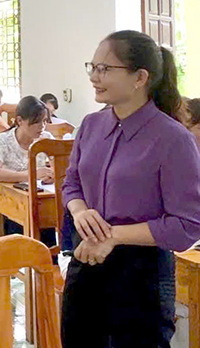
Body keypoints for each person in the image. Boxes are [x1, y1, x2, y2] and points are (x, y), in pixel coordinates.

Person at [61, 30, 200, 347]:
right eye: (92, 67)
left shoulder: (172, 139)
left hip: (142, 275)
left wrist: (113, 236)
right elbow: (72, 183)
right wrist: (80, 211)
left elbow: (187, 225)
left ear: (140, 77)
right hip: (87, 261)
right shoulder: (91, 126)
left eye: (105, 69)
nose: (94, 77)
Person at [0, 96, 56, 244]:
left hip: (35, 201)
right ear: (19, 120)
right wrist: (31, 175)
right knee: (18, 234)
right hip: (2, 201)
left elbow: (60, 167)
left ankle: (47, 264)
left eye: (44, 121)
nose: (42, 127)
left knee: (46, 220)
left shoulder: (45, 139)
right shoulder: (2, 140)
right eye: (36, 122)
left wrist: (52, 175)